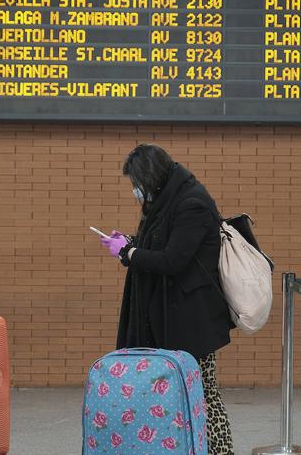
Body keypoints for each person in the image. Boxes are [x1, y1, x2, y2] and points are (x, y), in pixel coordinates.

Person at [100, 143, 235, 454]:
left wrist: (129, 252)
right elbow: (159, 246)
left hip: (191, 322)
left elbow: (173, 260)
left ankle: (219, 451)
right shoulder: (167, 201)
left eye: (137, 183)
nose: (136, 190)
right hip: (167, 316)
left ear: (151, 176)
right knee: (175, 394)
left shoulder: (192, 203)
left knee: (202, 395)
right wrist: (130, 244)